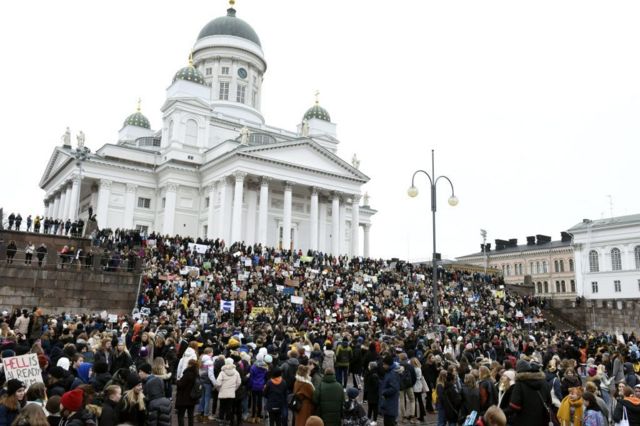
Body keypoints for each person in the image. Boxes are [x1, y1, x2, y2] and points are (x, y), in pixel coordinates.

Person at [508, 359, 551, 426]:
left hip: (523, 421)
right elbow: (549, 401)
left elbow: (515, 406)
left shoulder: (520, 384)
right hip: (542, 421)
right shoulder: (544, 382)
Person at [216, 357, 241, 425]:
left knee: (222, 408)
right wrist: (234, 389)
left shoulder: (222, 372)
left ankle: (221, 422)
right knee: (229, 408)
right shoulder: (236, 372)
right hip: (231, 393)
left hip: (222, 393)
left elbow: (218, 383)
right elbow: (239, 382)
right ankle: (227, 422)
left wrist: (219, 389)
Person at [176, 358, 200, 426]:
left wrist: (177, 381)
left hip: (183, 398)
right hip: (192, 397)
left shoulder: (187, 373)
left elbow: (181, 384)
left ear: (189, 364)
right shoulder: (197, 374)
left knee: (181, 415)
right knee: (190, 416)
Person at [379, 356, 401, 426]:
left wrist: (383, 392)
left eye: (384, 364)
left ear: (388, 364)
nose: (383, 366)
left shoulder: (392, 374)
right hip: (388, 405)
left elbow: (394, 388)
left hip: (390, 405)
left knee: (389, 422)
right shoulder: (389, 372)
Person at [249, 353, 269, 423]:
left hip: (254, 385)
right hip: (261, 385)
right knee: (260, 401)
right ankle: (258, 416)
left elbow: (251, 377)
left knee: (254, 401)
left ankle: (253, 417)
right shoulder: (265, 366)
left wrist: (250, 385)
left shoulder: (253, 367)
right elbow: (266, 376)